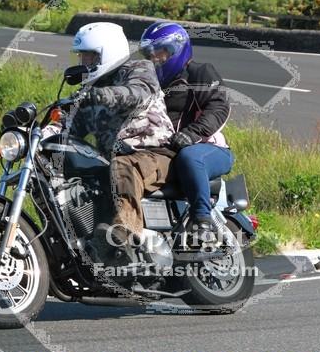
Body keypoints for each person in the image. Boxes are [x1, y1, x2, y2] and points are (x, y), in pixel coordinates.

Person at [66, 22, 175, 259]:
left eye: (90, 56)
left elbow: (136, 93)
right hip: (116, 160)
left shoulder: (139, 69)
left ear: (108, 52)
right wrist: (31, 131)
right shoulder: (90, 91)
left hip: (157, 154)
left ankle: (123, 231)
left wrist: (101, 95)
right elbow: (68, 126)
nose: (84, 62)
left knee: (122, 164)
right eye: (82, 56)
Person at [139, 21, 233, 240]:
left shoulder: (200, 73)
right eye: (149, 53)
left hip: (208, 148)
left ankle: (202, 220)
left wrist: (191, 134)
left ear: (176, 49)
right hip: (167, 149)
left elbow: (219, 107)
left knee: (190, 156)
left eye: (160, 51)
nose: (154, 58)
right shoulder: (150, 82)